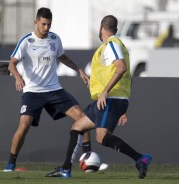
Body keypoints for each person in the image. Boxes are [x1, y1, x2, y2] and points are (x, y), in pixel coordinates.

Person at [45, 15, 152, 179]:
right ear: (115, 29)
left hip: (110, 99)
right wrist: (119, 101)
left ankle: (140, 158)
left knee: (101, 137)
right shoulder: (111, 46)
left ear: (102, 28)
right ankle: (65, 169)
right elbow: (124, 76)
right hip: (110, 100)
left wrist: (106, 93)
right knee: (77, 127)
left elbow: (121, 68)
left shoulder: (112, 44)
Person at [4, 7, 110, 172]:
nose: (46, 28)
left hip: (54, 90)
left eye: (49, 25)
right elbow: (11, 63)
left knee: (83, 118)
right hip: (32, 92)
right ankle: (10, 164)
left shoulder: (55, 39)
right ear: (36, 22)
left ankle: (89, 159)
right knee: (24, 125)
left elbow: (63, 57)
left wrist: (79, 70)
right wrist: (18, 77)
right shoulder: (26, 41)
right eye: (43, 24)